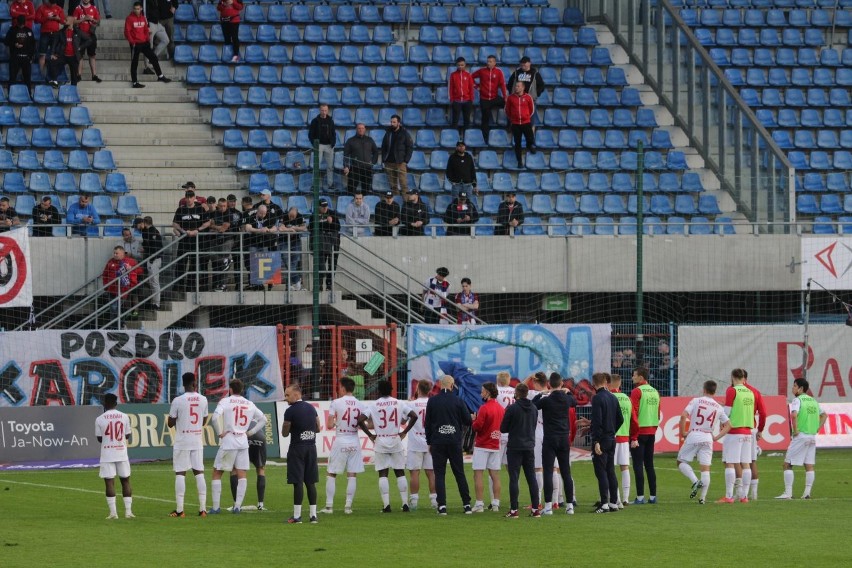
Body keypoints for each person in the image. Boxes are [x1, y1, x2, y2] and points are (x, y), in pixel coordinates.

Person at [358, 380, 417, 513]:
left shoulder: (373, 404)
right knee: (400, 472)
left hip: (381, 440)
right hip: (395, 439)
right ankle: (405, 504)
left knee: (383, 473)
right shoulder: (399, 402)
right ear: (391, 390)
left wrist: (370, 435)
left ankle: (386, 506)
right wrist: (404, 432)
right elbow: (414, 416)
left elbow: (360, 420)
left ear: (378, 391)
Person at [208, 379, 267, 514]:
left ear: (230, 389)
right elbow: (263, 419)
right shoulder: (249, 403)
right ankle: (237, 507)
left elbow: (215, 417)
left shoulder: (225, 401)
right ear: (242, 390)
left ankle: (216, 508)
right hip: (243, 441)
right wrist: (251, 432)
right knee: (242, 474)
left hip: (229, 440)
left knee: (217, 473)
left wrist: (219, 433)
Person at [425, 375, 472, 515]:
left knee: (439, 474)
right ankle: (467, 504)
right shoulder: (458, 401)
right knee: (459, 473)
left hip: (438, 441)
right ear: (452, 385)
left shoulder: (432, 401)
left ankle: (442, 506)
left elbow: (427, 423)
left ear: (440, 384)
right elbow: (468, 421)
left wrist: (429, 441)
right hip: (454, 441)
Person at [677, 380, 731, 505]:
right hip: (708, 437)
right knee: (705, 469)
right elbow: (729, 425)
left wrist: (683, 432)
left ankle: (695, 481)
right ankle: (702, 498)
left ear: (704, 390)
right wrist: (716, 437)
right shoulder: (718, 407)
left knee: (680, 461)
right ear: (714, 391)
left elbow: (683, 416)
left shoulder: (696, 400)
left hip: (695, 434)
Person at [776, 378, 828, 500]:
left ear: (801, 388)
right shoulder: (813, 401)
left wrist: (796, 431)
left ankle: (788, 493)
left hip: (801, 436)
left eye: (794, 386)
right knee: (809, 465)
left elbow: (794, 415)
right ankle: (807, 493)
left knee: (787, 464)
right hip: (811, 437)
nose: (792, 388)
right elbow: (824, 415)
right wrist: (817, 428)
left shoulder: (797, 400)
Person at [321, 377, 367, 514]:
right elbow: (366, 423)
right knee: (352, 474)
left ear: (342, 388)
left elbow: (329, 424)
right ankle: (348, 506)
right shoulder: (361, 404)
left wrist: (336, 423)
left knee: (332, 472)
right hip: (354, 439)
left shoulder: (336, 402)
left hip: (341, 438)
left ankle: (329, 506)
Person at [533, 372, 577, 515]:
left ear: (549, 384)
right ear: (561, 384)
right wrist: (567, 391)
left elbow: (533, 404)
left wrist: (542, 393)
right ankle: (570, 505)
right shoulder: (566, 399)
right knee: (565, 472)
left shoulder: (546, 400)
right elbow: (574, 400)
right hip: (563, 438)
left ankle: (548, 506)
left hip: (550, 438)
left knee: (548, 471)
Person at [167, 372, 209, 517]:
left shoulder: (178, 400)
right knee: (199, 473)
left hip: (182, 441)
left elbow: (170, 423)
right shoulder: (203, 399)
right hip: (197, 440)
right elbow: (204, 421)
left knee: (180, 473)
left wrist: (176, 418)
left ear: (183, 384)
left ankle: (180, 510)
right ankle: (203, 509)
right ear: (194, 383)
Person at [500, 382, 540, 518]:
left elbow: (503, 428)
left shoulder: (512, 408)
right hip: (529, 445)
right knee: (531, 478)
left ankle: (514, 510)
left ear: (516, 393)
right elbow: (533, 425)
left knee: (514, 478)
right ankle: (535, 509)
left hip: (515, 446)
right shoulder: (534, 408)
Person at [282, 383, 321, 524]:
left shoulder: (290, 411)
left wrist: (291, 428)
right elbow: (318, 428)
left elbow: (285, 433)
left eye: (287, 395)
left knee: (297, 482)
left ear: (296, 394)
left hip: (297, 448)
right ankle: (313, 515)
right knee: (310, 482)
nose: (286, 398)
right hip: (311, 447)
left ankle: (297, 516)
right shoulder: (312, 408)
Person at [718, 368, 755, 504]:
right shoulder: (750, 392)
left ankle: (728, 496)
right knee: (746, 464)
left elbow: (727, 412)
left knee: (729, 462)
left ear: (733, 377)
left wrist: (721, 420)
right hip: (747, 431)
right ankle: (744, 496)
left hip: (734, 431)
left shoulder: (732, 390)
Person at [95, 393, 133, 519]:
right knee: (125, 480)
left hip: (107, 454)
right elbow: (127, 435)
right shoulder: (124, 416)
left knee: (109, 482)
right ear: (116, 403)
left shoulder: (100, 419)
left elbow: (100, 438)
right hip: (121, 452)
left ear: (104, 403)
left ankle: (113, 513)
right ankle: (128, 512)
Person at [590, 372, 623, 513]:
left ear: (594, 383)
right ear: (605, 382)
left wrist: (596, 440)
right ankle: (614, 502)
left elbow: (597, 421)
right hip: (611, 438)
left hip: (602, 440)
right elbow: (620, 419)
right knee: (611, 471)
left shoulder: (597, 398)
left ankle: (604, 503)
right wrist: (611, 431)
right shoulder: (613, 397)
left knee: (601, 472)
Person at [471, 382, 504, 513]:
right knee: (494, 474)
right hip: (495, 443)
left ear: (488, 392)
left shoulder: (484, 408)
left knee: (478, 474)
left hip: (482, 444)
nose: (481, 393)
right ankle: (496, 503)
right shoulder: (501, 408)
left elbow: (477, 426)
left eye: (483, 391)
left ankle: (479, 504)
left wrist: (474, 420)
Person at [629, 366, 660, 505]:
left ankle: (640, 497)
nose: (632, 377)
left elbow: (633, 413)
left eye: (634, 375)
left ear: (641, 377)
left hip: (639, 432)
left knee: (637, 464)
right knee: (649, 464)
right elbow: (658, 413)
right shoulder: (655, 391)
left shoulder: (636, 391)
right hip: (651, 431)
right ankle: (653, 496)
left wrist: (634, 436)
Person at [407, 379, 437, 510]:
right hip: (430, 441)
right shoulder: (433, 403)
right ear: (430, 390)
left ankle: (413, 502)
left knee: (414, 472)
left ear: (418, 389)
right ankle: (434, 501)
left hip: (415, 442)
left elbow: (403, 419)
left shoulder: (412, 404)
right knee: (431, 473)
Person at [124, 1, 170, 88]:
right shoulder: (129, 18)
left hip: (144, 43)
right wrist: (132, 42)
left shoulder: (143, 18)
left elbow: (146, 30)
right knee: (134, 63)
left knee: (154, 58)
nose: (136, 10)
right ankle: (134, 82)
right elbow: (127, 32)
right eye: (135, 9)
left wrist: (147, 40)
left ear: (141, 9)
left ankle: (160, 76)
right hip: (135, 44)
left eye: (138, 9)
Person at [172, 189, 210, 293]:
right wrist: (183, 231)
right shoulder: (181, 209)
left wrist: (197, 230)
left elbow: (207, 223)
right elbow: (175, 223)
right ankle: (178, 286)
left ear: (194, 198)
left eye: (191, 197)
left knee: (194, 263)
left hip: (196, 241)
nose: (189, 199)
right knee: (181, 263)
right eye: (187, 197)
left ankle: (190, 286)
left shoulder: (199, 208)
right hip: (184, 239)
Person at [743, 369, 768, 500]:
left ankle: (739, 493)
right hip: (751, 429)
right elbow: (763, 413)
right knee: (752, 461)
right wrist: (760, 430)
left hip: (737, 429)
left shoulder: (734, 390)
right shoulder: (755, 391)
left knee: (734, 461)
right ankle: (754, 494)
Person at [609, 373, 632, 508]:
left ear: (609, 384)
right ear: (620, 384)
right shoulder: (627, 399)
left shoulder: (609, 397)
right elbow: (634, 419)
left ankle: (616, 498)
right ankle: (626, 498)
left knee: (610, 469)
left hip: (611, 437)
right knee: (625, 467)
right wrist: (633, 437)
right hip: (624, 437)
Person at [102, 245, 141, 326]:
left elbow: (140, 270)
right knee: (113, 308)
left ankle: (120, 324)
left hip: (124, 289)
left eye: (117, 253)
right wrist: (105, 285)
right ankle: (115, 325)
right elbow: (105, 274)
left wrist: (131, 269)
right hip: (112, 289)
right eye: (114, 253)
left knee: (118, 307)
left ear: (122, 253)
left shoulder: (130, 261)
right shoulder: (110, 262)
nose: (115, 255)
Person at [471, 54, 507, 141]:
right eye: (488, 61)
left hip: (495, 97)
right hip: (484, 99)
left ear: (495, 63)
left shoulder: (499, 72)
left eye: (491, 61)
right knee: (485, 119)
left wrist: (505, 96)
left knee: (510, 104)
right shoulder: (482, 71)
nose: (489, 63)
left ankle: (511, 125)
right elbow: (470, 77)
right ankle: (485, 137)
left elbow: (502, 85)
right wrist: (476, 87)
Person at [309, 198, 341, 291]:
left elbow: (338, 227)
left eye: (326, 206)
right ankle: (319, 284)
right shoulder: (314, 215)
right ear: (319, 206)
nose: (325, 208)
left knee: (332, 264)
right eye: (323, 206)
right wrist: (327, 224)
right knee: (321, 264)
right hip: (320, 243)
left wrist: (329, 223)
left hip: (332, 242)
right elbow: (311, 227)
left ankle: (329, 284)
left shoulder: (332, 213)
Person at [380, 114, 414, 196]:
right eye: (391, 122)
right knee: (393, 186)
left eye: (394, 122)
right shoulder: (388, 133)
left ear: (399, 123)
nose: (392, 124)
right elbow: (383, 146)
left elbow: (410, 147)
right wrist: (384, 159)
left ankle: (406, 205)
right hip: (389, 163)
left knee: (404, 185)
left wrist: (406, 160)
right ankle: (396, 205)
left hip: (400, 163)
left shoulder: (405, 133)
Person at [134, 216, 163, 310]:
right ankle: (153, 302)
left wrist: (151, 258)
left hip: (154, 259)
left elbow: (156, 248)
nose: (136, 228)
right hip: (150, 258)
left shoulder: (152, 231)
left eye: (137, 225)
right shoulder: (145, 232)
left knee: (154, 282)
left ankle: (156, 303)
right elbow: (148, 245)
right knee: (151, 282)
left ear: (142, 223)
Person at [504, 81, 536, 167]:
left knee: (530, 138)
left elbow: (532, 109)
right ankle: (519, 161)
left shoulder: (528, 97)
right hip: (515, 124)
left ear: (523, 87)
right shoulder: (511, 98)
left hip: (526, 122)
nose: (516, 87)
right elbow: (507, 110)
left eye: (518, 86)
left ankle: (529, 146)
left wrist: (526, 116)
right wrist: (512, 118)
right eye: (516, 86)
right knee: (517, 143)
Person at [343, 123, 379, 195]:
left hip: (367, 168)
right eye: (359, 128)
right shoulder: (350, 140)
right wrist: (346, 166)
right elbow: (346, 154)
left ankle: (363, 205)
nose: (361, 130)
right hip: (355, 168)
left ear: (365, 129)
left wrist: (372, 162)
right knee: (351, 189)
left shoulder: (369, 140)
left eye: (362, 128)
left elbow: (376, 152)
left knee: (366, 189)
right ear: (356, 129)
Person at [47, 16, 81, 87]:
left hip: (73, 56)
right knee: (52, 62)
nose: (64, 21)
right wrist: (52, 53)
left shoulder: (77, 31)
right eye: (65, 20)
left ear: (71, 21)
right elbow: (54, 43)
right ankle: (54, 80)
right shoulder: (61, 32)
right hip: (63, 55)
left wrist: (80, 47)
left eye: (66, 20)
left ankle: (73, 88)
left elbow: (88, 39)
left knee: (74, 74)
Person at [35, 0, 65, 80]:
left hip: (55, 34)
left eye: (54, 4)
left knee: (54, 55)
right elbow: (37, 20)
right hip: (45, 33)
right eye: (51, 3)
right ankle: (41, 76)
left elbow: (63, 21)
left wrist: (58, 19)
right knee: (42, 55)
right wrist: (47, 18)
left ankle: (53, 77)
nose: (52, 5)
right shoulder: (41, 8)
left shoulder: (59, 8)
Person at [308, 103, 336, 190]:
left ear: (328, 111)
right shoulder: (315, 121)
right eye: (322, 110)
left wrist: (333, 143)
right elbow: (310, 134)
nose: (324, 112)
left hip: (329, 146)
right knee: (316, 166)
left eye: (325, 110)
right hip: (318, 145)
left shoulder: (331, 121)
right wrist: (314, 144)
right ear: (320, 110)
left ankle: (330, 184)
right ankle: (314, 185)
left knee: (330, 167)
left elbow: (333, 133)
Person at [278, 206, 306, 291]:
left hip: (295, 241)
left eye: (293, 216)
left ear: (297, 214)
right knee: (287, 262)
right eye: (290, 215)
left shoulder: (300, 216)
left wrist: (295, 228)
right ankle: (297, 281)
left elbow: (304, 228)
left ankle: (289, 285)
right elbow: (280, 228)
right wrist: (290, 230)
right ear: (288, 212)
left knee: (294, 263)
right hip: (284, 241)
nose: (291, 217)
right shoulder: (284, 215)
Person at [5, 15, 35, 93]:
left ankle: (29, 94)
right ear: (17, 22)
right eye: (20, 23)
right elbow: (6, 41)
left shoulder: (29, 31)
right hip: (15, 57)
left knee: (27, 78)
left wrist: (31, 57)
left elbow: (33, 45)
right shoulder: (12, 30)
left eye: (22, 23)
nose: (21, 24)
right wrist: (14, 44)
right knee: (12, 77)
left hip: (26, 58)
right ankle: (10, 94)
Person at [72, 0, 100, 82]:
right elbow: (73, 21)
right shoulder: (78, 8)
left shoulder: (94, 8)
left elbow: (98, 21)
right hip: (81, 35)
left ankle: (94, 75)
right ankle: (79, 75)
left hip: (90, 34)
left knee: (92, 55)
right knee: (80, 55)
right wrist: (83, 19)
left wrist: (92, 19)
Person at [448, 57, 474, 139]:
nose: (460, 66)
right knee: (455, 120)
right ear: (456, 65)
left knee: (467, 120)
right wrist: (452, 99)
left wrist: (471, 99)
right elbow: (450, 88)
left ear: (465, 65)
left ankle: (466, 137)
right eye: (459, 65)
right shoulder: (453, 75)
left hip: (467, 101)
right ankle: (453, 138)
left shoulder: (468, 75)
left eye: (462, 65)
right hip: (457, 101)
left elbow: (471, 87)